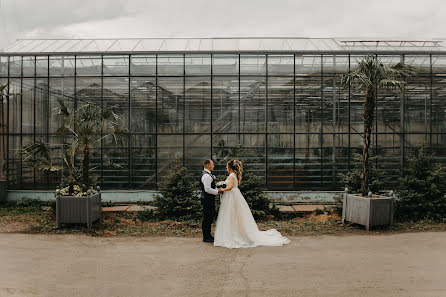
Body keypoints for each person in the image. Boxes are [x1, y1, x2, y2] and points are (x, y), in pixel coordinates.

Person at [214, 159, 290, 248]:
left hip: (232, 197)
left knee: (232, 215)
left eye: (227, 166)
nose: (226, 167)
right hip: (234, 196)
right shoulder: (234, 175)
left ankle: (233, 234)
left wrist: (221, 189)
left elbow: (230, 187)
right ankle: (237, 232)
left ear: (230, 167)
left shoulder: (231, 176)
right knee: (235, 216)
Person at [200, 159, 223, 242]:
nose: (214, 166)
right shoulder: (206, 176)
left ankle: (208, 235)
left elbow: (211, 187)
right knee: (207, 217)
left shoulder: (208, 175)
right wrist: (218, 191)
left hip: (208, 199)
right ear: (207, 165)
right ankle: (206, 236)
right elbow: (207, 189)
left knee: (209, 217)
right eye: (212, 164)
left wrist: (217, 188)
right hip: (207, 199)